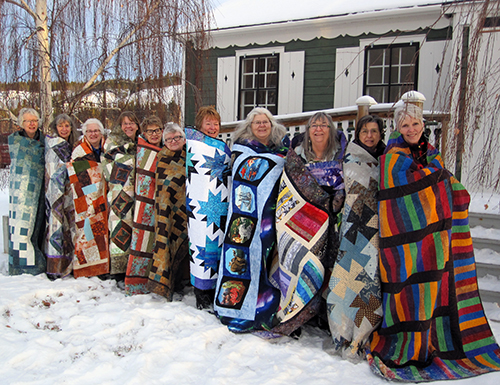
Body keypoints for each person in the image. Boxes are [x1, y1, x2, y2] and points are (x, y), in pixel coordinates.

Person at [366, 101, 500, 381]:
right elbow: (402, 193)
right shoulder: (392, 157)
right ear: (398, 128)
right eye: (405, 125)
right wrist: (440, 179)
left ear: (423, 126)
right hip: (405, 244)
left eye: (415, 124)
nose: (411, 129)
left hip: (433, 240)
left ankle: (435, 339)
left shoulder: (432, 154)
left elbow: (442, 186)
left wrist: (442, 182)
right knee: (411, 292)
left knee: (434, 291)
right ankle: (410, 343)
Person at [268, 112, 346, 337]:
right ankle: (295, 313)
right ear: (308, 131)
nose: (319, 129)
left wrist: (338, 197)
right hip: (301, 222)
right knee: (297, 264)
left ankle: (321, 313)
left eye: (324, 125)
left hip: (330, 220)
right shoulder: (297, 157)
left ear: (330, 130)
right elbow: (287, 188)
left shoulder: (340, 155)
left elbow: (347, 182)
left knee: (328, 265)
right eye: (314, 125)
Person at [214, 107, 288, 333]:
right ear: (250, 126)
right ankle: (240, 308)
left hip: (271, 216)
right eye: (257, 122)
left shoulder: (281, 150)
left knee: (268, 262)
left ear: (272, 125)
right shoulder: (241, 150)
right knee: (245, 259)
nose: (262, 125)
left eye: (266, 122)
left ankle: (266, 305)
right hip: (244, 218)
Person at [325, 115, 385, 361]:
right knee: (345, 277)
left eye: (374, 131)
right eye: (364, 131)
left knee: (368, 279)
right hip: (351, 227)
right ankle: (342, 330)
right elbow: (341, 188)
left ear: (380, 134)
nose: (369, 135)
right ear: (357, 134)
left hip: (375, 228)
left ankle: (363, 331)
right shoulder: (348, 156)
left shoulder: (386, 160)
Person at [186, 107, 231, 309]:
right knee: (199, 243)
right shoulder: (194, 145)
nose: (212, 127)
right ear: (199, 125)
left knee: (217, 244)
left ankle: (214, 290)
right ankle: (201, 293)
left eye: (216, 124)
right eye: (208, 123)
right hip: (199, 204)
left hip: (219, 203)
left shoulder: (222, 146)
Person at [148, 123, 190, 300]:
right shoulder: (161, 158)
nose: (173, 141)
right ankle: (173, 282)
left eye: (177, 138)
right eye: (169, 139)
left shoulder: (191, 157)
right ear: (164, 142)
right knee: (168, 243)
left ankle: (188, 281)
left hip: (189, 210)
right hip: (168, 212)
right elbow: (162, 190)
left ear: (184, 139)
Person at [125, 116, 164, 295]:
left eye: (157, 130)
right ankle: (137, 282)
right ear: (144, 133)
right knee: (142, 240)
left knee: (159, 241)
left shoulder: (166, 148)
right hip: (144, 202)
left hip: (160, 201)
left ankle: (157, 280)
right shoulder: (140, 149)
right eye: (150, 131)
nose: (154, 134)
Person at [67, 118, 109, 278]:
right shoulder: (79, 151)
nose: (93, 134)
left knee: (103, 233)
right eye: (89, 131)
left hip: (104, 196)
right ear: (84, 133)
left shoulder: (107, 147)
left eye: (96, 131)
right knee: (87, 231)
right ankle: (86, 266)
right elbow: (77, 176)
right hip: (87, 198)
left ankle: (103, 267)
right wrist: (95, 192)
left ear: (101, 132)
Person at [8, 108, 46, 275]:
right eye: (28, 121)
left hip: (41, 190)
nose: (32, 124)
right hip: (22, 193)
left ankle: (39, 257)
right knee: (22, 227)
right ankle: (22, 265)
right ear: (21, 124)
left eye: (35, 121)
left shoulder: (45, 141)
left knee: (39, 224)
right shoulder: (16, 142)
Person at [102, 111, 139, 282]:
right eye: (125, 123)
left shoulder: (141, 141)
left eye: (132, 123)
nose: (128, 126)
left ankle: (134, 267)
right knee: (119, 227)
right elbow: (107, 168)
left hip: (138, 194)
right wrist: (130, 160)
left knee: (136, 229)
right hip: (120, 194)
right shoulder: (112, 142)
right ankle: (118, 270)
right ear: (120, 126)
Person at [44, 114, 78, 278]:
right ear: (55, 128)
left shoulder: (70, 146)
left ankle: (68, 262)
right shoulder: (54, 145)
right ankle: (55, 267)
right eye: (61, 126)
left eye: (67, 126)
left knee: (69, 226)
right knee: (56, 226)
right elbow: (53, 170)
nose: (64, 129)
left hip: (68, 192)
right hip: (56, 192)